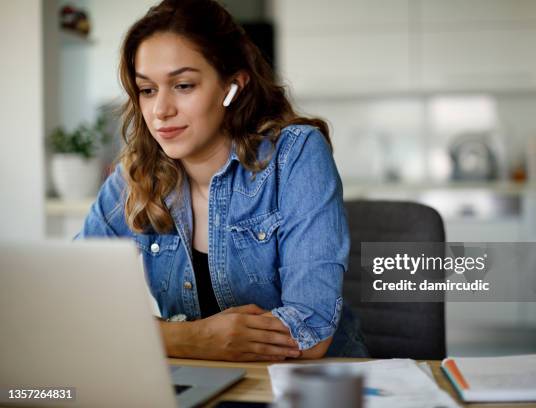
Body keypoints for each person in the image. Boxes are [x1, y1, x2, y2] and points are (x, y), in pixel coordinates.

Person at [77, 0, 368, 361]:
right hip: (196, 379)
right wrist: (190, 339)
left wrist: (150, 335)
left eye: (183, 85)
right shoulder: (137, 173)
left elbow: (310, 331)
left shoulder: (295, 154)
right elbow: (73, 301)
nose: (160, 110)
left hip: (307, 386)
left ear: (233, 86)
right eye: (147, 90)